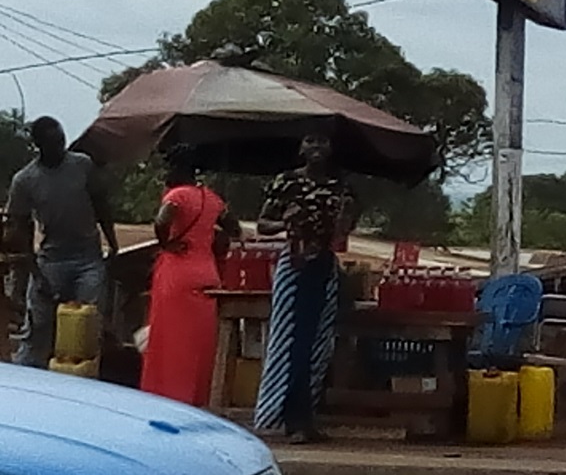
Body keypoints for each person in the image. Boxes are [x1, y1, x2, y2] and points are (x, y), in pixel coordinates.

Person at [254, 133, 358, 444]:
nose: (317, 147)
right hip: (294, 264)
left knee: (316, 345)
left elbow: (342, 233)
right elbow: (262, 224)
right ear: (300, 148)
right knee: (289, 342)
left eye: (323, 142)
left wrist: (347, 218)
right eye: (311, 141)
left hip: (324, 266)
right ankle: (284, 416)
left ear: (331, 149)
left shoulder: (340, 187)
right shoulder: (286, 182)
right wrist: (287, 223)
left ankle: (305, 418)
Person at [3, 116, 119, 368]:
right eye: (54, 143)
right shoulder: (25, 180)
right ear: (40, 146)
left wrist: (113, 243)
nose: (60, 147)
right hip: (51, 260)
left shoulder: (82, 165)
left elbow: (101, 204)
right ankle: (27, 379)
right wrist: (36, 272)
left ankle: (85, 379)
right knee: (38, 327)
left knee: (88, 325)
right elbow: (20, 228)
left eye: (62, 141)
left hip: (88, 258)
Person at [140, 144, 241, 406]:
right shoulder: (212, 199)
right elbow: (234, 228)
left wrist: (166, 244)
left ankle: (166, 395)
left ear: (176, 168)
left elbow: (162, 220)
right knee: (200, 343)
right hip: (207, 272)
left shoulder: (178, 196)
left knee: (170, 340)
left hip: (177, 272)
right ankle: (197, 397)